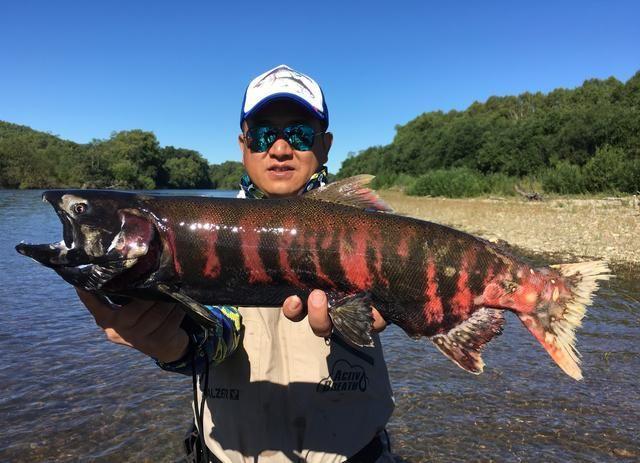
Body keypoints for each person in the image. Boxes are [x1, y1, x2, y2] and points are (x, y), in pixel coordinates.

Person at [78, 64, 395, 463]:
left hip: (355, 453)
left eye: (298, 133)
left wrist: (415, 313)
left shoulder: (373, 232)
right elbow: (216, 333)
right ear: (243, 144)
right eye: (264, 134)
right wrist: (169, 343)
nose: (280, 149)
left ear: (325, 145)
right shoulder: (198, 238)